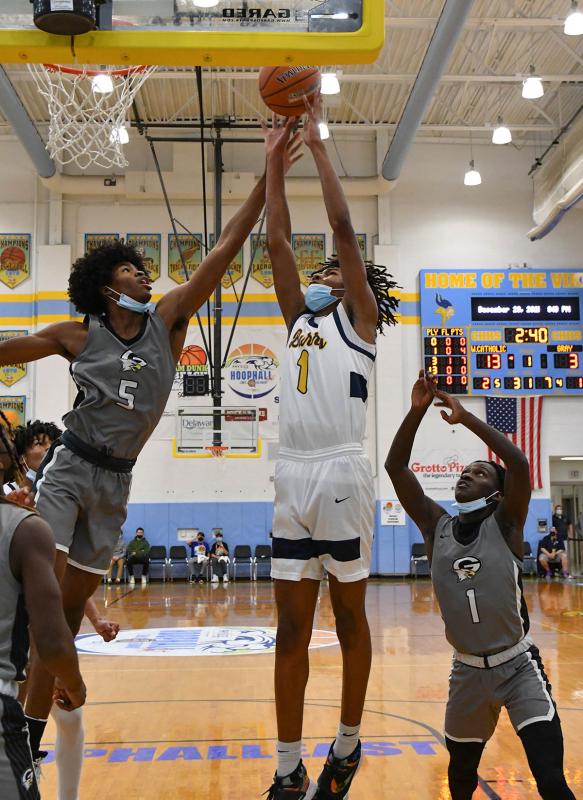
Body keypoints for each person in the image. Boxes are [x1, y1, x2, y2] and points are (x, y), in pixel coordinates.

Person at [0, 134, 301, 770]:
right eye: (132, 269)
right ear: (108, 286)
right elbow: (11, 349)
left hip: (118, 482)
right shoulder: (77, 335)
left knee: (74, 605)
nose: (145, 274)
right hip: (71, 467)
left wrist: (269, 173)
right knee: (45, 600)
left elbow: (225, 248)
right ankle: (23, 735)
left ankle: (31, 721)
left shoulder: (168, 319)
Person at [262, 100, 399, 800]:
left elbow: (342, 226)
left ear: (357, 285)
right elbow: (278, 244)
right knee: (289, 629)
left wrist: (318, 146)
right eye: (323, 272)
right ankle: (287, 766)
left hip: (342, 470)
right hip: (290, 475)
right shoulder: (297, 320)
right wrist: (269, 165)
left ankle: (345, 746)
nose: (325, 272)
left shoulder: (363, 324)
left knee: (347, 616)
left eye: (337, 270)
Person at [385, 371, 575, 800]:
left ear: (497, 491)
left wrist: (466, 417)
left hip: (518, 667)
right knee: (460, 780)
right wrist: (416, 413)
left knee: (549, 778)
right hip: (467, 671)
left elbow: (521, 465)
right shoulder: (437, 527)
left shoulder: (506, 523)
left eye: (479, 472)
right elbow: (395, 467)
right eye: (464, 471)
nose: (466, 476)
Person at [0, 411, 85, 800]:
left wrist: (95, 617)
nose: (44, 449)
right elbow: (51, 636)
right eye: (35, 443)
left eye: (49, 444)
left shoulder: (49, 505)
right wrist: (73, 677)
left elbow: (62, 577)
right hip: (24, 651)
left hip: (35, 635)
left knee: (71, 718)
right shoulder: (21, 514)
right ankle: (30, 749)